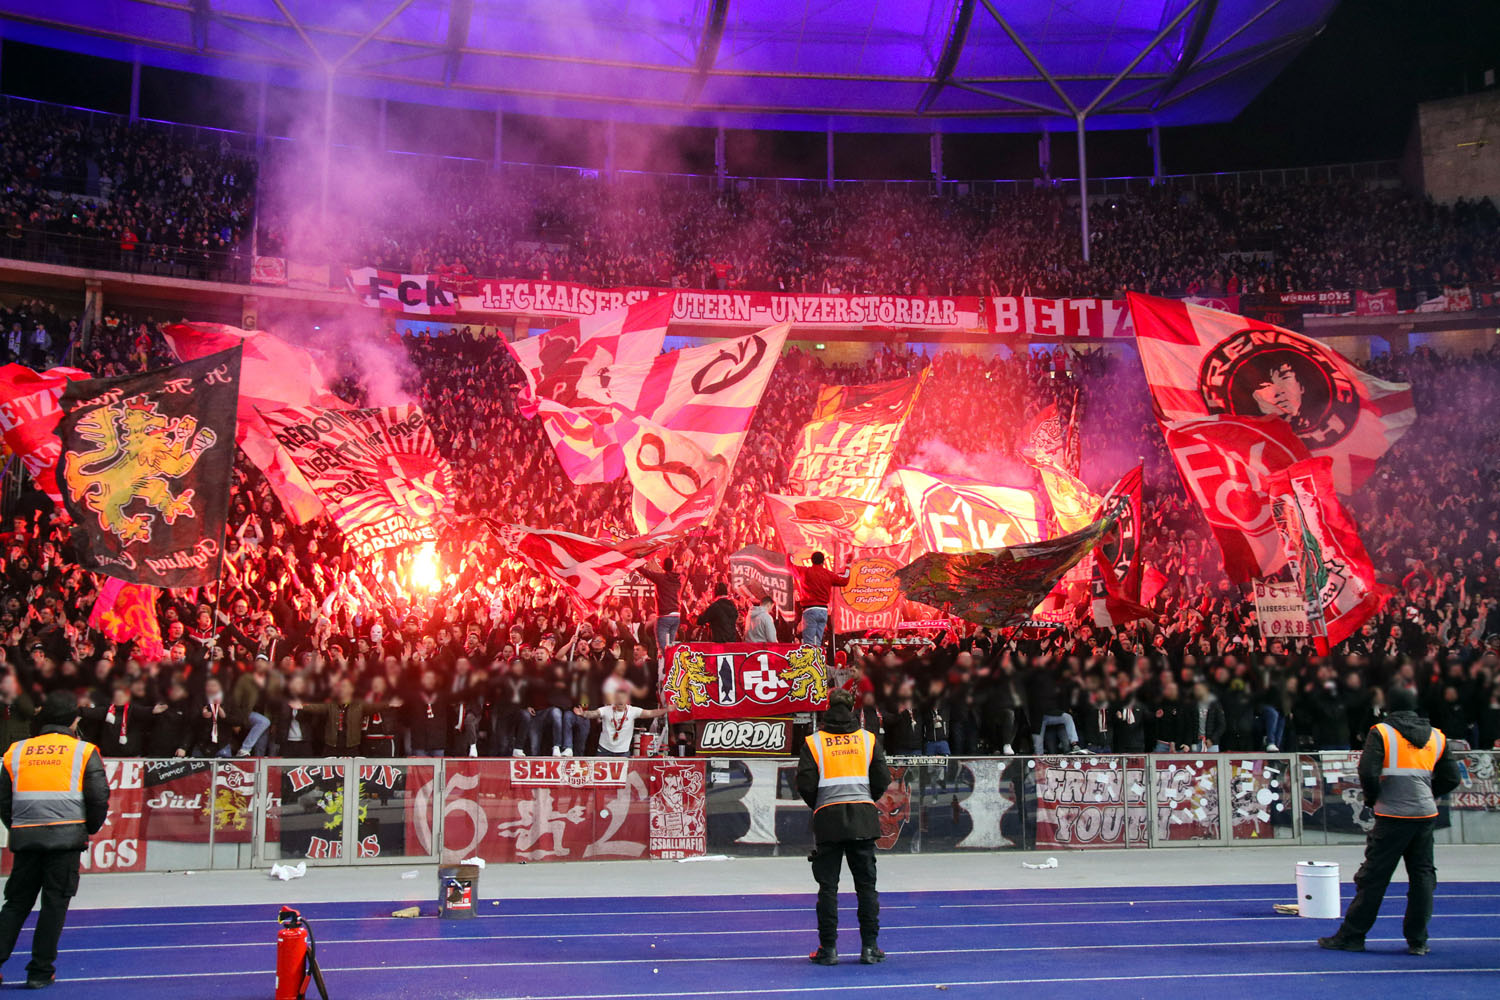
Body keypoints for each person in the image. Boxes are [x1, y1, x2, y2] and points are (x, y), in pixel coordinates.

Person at [1318, 687, 1461, 956]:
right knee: (1422, 877)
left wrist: (1373, 799)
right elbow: (1452, 777)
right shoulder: (1436, 736)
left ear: (1389, 708)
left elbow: (1367, 771)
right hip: (1425, 815)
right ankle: (1418, 940)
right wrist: (1429, 793)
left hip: (1392, 815)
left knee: (1374, 877)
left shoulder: (1382, 732)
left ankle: (1352, 936)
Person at [0, 690, 110, 989]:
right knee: (54, 905)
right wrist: (87, 829)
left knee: (15, 903)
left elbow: (4, 802)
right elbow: (98, 798)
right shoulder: (84, 751)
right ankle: (39, 971)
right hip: (66, 838)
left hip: (26, 837)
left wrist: (19, 828)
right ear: (75, 720)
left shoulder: (16, 750)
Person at [795, 688, 891, 966]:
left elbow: (805, 784)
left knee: (828, 888)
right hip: (863, 817)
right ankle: (870, 948)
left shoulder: (814, 743)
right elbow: (882, 778)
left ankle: (828, 950)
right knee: (866, 887)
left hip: (828, 820)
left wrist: (821, 804)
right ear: (852, 709)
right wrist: (864, 801)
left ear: (828, 708)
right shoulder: (867, 739)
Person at [575, 690, 667, 757]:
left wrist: (666, 710)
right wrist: (583, 714)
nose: (620, 701)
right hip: (604, 750)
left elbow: (650, 713)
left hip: (623, 752)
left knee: (623, 780)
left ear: (627, 700)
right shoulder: (606, 710)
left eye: (623, 698)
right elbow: (593, 714)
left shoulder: (633, 711)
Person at [796, 552, 849, 648]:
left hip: (810, 610)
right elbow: (844, 580)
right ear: (823, 562)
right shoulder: (828, 574)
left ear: (811, 561)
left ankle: (811, 662)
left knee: (809, 643)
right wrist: (848, 566)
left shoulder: (805, 571)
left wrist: (789, 555)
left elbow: (789, 566)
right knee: (818, 642)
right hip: (823, 611)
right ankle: (817, 661)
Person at [639, 557, 682, 655]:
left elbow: (645, 572)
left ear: (662, 566)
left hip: (665, 615)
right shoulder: (677, 581)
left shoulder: (661, 578)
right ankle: (671, 666)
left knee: (662, 647)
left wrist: (634, 563)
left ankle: (663, 667)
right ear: (673, 566)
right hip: (676, 615)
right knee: (671, 645)